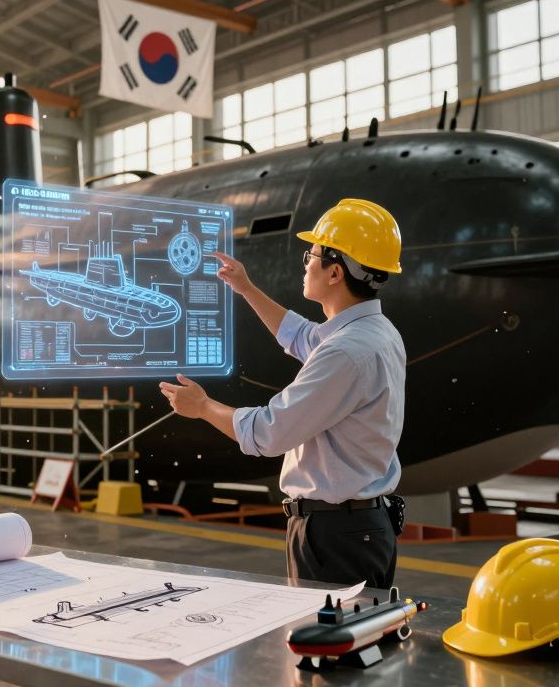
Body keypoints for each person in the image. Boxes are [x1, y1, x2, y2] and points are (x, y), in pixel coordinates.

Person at [159, 198, 406, 588]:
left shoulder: (346, 352)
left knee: (328, 644)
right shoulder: (375, 333)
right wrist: (246, 288)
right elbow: (303, 337)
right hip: (357, 528)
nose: (305, 262)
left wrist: (203, 406)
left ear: (335, 273)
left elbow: (269, 433)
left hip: (334, 535)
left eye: (312, 254)